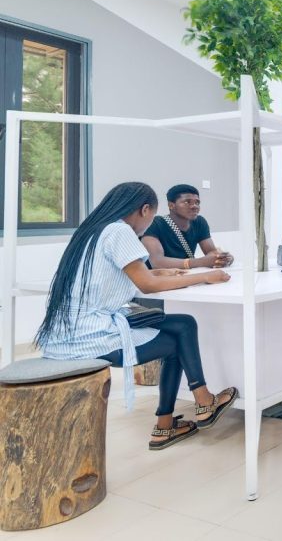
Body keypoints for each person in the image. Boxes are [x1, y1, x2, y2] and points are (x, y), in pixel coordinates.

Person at [36, 182, 237, 450]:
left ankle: (187, 412)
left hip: (66, 336)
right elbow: (147, 286)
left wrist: (158, 272)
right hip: (91, 339)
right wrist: (205, 276)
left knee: (183, 324)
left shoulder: (92, 230)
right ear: (144, 210)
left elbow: (125, 274)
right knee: (179, 338)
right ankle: (192, 408)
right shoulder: (120, 231)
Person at [142, 184, 233, 270]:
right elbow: (157, 262)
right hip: (159, 276)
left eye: (197, 202)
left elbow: (211, 252)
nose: (194, 206)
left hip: (187, 273)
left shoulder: (199, 222)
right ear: (171, 205)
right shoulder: (155, 223)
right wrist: (201, 262)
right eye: (187, 202)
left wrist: (223, 258)